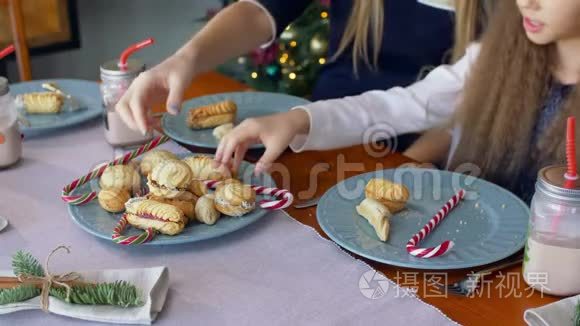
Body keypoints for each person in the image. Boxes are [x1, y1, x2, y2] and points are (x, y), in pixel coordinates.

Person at [218, 0, 580, 203]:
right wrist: (298, 121)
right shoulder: (495, 57)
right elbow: (399, 106)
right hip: (453, 229)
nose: (527, 3)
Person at [116, 0, 489, 135]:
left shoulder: (521, 10)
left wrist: (405, 165)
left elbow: (460, 105)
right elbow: (258, 12)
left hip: (416, 156)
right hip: (317, 132)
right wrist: (186, 59)